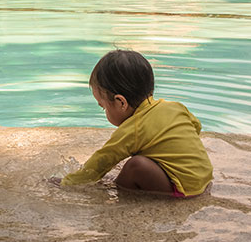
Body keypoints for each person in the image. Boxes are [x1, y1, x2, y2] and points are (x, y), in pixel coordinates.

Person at [58, 50, 213, 197]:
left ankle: (119, 189)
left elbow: (104, 159)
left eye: (103, 106)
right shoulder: (174, 107)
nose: (104, 111)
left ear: (121, 102)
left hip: (183, 189)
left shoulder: (133, 129)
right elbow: (196, 126)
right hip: (204, 178)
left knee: (136, 166)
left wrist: (69, 182)